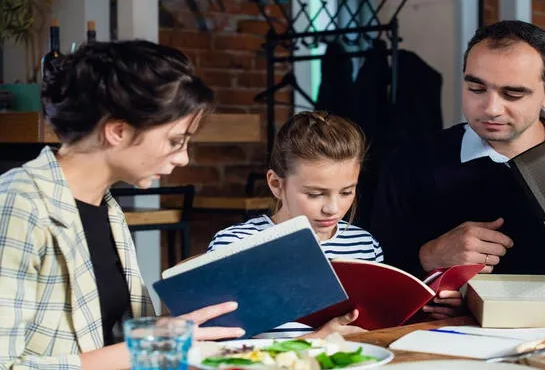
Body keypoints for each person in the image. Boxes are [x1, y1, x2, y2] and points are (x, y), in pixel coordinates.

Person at [0, 40, 245, 370]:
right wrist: (141, 349)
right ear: (118, 131)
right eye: (175, 141)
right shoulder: (19, 204)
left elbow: (101, 337)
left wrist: (167, 329)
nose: (184, 158)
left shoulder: (106, 207)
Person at [371, 20, 545, 294]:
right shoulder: (410, 162)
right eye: (476, 89)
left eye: (512, 94)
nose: (491, 109)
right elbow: (374, 276)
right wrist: (428, 257)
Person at [208, 111, 385, 338]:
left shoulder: (364, 245)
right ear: (275, 184)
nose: (333, 208)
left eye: (346, 192)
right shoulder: (235, 244)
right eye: (315, 194)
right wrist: (317, 340)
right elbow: (217, 346)